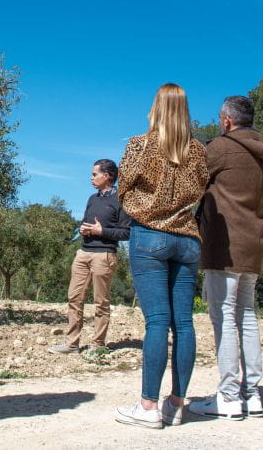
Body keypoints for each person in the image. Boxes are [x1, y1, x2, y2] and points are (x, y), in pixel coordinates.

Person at [113, 83, 209, 429]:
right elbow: (201, 188)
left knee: (157, 321)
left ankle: (148, 407)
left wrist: (145, 209)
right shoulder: (198, 151)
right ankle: (178, 403)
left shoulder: (139, 145)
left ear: (156, 106)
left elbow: (122, 188)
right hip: (186, 240)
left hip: (150, 235)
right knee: (183, 323)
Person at [189, 95, 263, 421]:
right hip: (253, 242)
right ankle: (252, 394)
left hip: (224, 245)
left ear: (226, 120)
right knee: (247, 316)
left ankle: (227, 396)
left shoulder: (222, 147)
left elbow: (192, 180)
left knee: (223, 317)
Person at [48, 159, 130, 354]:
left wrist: (102, 231)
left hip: (105, 255)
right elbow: (86, 222)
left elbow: (127, 233)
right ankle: (72, 344)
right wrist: (84, 229)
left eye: (94, 174)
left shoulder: (121, 199)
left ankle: (97, 345)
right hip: (83, 253)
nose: (91, 178)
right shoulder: (92, 199)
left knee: (101, 302)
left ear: (107, 176)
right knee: (74, 298)